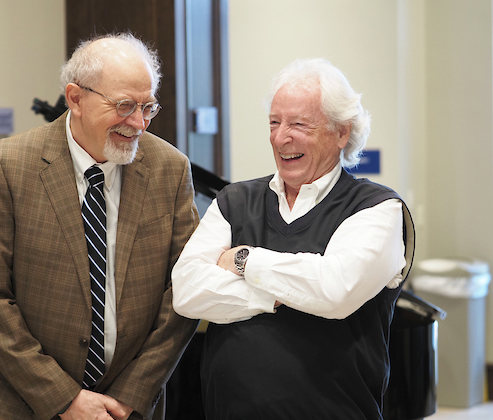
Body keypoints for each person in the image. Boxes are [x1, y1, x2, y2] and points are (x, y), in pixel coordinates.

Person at [0, 33, 199, 420]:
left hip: (127, 407)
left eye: (147, 107)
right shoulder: (7, 166)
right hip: (19, 402)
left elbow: (184, 291)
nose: (138, 123)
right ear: (76, 98)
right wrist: (65, 399)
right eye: (124, 106)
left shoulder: (170, 169)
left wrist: (131, 394)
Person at [172, 58, 415, 420]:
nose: (280, 137)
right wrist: (286, 293)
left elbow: (335, 291)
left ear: (341, 132)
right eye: (274, 122)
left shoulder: (378, 208)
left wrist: (243, 260)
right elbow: (187, 291)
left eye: (298, 124)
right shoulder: (235, 201)